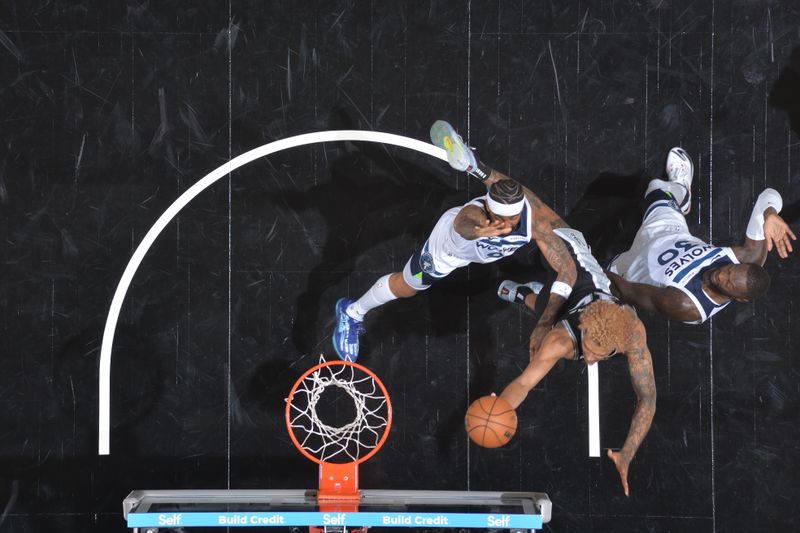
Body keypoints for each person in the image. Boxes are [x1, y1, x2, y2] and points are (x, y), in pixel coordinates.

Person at [332, 120, 581, 362]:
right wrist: (479, 229)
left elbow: (567, 267)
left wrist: (544, 323)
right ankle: (352, 311)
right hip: (448, 251)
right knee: (408, 286)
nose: (505, 225)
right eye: (498, 218)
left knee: (557, 248)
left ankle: (473, 164)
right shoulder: (474, 216)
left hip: (484, 252)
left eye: (512, 218)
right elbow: (463, 222)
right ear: (488, 209)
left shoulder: (534, 218)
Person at [497, 226, 656, 497]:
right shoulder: (560, 340)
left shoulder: (633, 335)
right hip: (569, 255)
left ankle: (528, 293)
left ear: (617, 346)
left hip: (593, 283)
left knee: (553, 317)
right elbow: (524, 383)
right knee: (546, 308)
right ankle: (525, 294)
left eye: (600, 354)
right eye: (590, 349)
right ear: (581, 328)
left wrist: (627, 452)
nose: (591, 359)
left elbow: (647, 399)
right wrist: (498, 410)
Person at [606, 147, 796, 324]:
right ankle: (682, 190)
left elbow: (626, 291)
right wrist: (770, 213)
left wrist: (584, 263)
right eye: (729, 270)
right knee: (656, 187)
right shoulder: (749, 256)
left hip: (628, 272)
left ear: (739, 298)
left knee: (595, 285)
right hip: (666, 232)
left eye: (728, 283)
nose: (721, 275)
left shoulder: (686, 304)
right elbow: (768, 195)